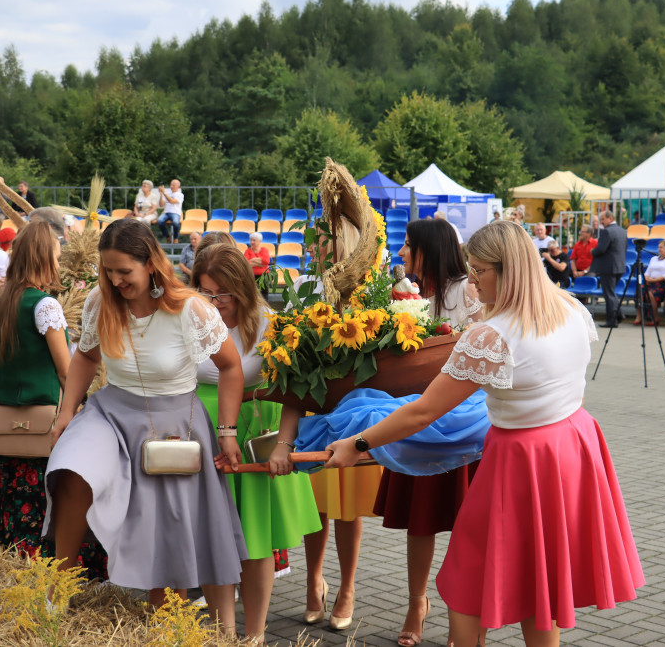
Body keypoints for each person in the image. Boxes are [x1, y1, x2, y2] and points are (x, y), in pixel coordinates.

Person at [326, 220, 645, 647]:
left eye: (478, 271)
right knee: (540, 581)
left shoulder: (493, 336)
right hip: (572, 444)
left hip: (522, 456)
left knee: (466, 580)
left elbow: (423, 411)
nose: (472, 282)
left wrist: (357, 442)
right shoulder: (570, 307)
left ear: (507, 270)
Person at [43, 219, 248, 634]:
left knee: (183, 527)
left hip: (176, 422)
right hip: (110, 413)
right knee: (69, 470)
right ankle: (55, 594)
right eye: (109, 271)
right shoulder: (102, 301)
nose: (116, 280)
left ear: (151, 264)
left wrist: (227, 433)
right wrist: (66, 413)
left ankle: (214, 633)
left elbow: (231, 367)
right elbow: (85, 358)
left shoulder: (192, 308)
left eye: (124, 272)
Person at [191, 244, 321, 642]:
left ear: (244, 289)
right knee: (212, 535)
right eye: (206, 292)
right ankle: (224, 632)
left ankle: (255, 634)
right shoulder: (189, 318)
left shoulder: (271, 323)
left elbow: (294, 390)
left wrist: (284, 442)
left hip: (254, 428)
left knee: (256, 536)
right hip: (202, 426)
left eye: (224, 293)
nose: (215, 303)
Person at [376, 218, 483, 647]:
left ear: (428, 249)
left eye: (407, 245)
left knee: (466, 525)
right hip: (419, 419)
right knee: (420, 523)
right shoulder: (413, 293)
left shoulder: (467, 292)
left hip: (464, 424)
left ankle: (465, 614)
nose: (401, 253)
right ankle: (416, 603)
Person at [270, 218, 381, 632]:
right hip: (315, 414)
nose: (318, 250)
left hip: (354, 417)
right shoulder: (305, 288)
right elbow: (295, 367)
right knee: (315, 505)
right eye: (314, 243)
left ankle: (348, 587)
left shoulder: (370, 291)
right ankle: (313, 580)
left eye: (326, 243)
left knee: (348, 507)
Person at [0, 221, 109, 576]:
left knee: (11, 490)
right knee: (48, 495)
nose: (58, 263)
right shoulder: (45, 306)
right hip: (45, 417)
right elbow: (66, 370)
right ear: (44, 258)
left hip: (9, 417)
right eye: (56, 256)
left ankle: (10, 555)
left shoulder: (7, 299)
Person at [591, 210, 627, 327]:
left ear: (610, 218)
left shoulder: (607, 232)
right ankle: (619, 314)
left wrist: (592, 251)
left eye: (602, 219)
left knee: (609, 294)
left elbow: (601, 249)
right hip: (620, 266)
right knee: (611, 292)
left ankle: (612, 320)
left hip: (608, 267)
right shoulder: (622, 231)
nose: (601, 222)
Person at [634, 239, 665, 326]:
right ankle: (639, 316)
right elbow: (648, 272)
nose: (659, 249)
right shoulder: (654, 258)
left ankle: (654, 317)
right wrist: (647, 279)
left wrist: (652, 280)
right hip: (649, 282)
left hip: (661, 284)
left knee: (650, 294)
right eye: (658, 247)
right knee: (639, 290)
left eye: (661, 247)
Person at [244, 232, 271, 299]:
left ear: (259, 241)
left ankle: (265, 307)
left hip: (264, 274)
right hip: (251, 274)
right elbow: (246, 263)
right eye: (251, 240)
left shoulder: (264, 250)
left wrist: (252, 260)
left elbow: (266, 261)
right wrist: (261, 263)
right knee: (249, 291)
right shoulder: (248, 251)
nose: (252, 242)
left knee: (264, 291)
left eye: (254, 240)